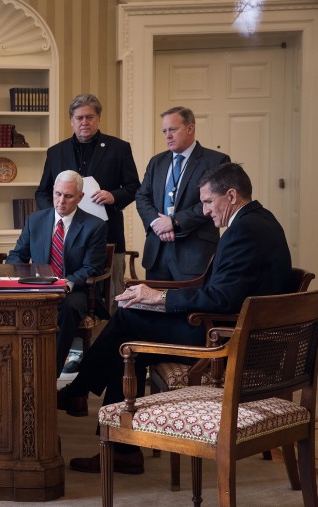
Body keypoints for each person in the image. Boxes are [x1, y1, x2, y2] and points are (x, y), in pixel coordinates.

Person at [58, 162, 292, 475]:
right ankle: (119, 446)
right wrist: (153, 294)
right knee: (129, 339)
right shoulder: (257, 220)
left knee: (127, 325)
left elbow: (222, 298)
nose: (206, 211)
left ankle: (83, 394)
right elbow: (220, 290)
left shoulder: (245, 229)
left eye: (209, 202)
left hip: (227, 340)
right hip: (226, 325)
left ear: (232, 195)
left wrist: (160, 297)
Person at [35, 93, 140, 316]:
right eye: (79, 118)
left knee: (113, 295)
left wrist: (113, 196)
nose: (85, 122)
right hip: (65, 240)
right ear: (71, 120)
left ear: (98, 119)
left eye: (90, 117)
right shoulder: (56, 152)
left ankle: (112, 342)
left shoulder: (118, 148)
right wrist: (56, 211)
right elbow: (42, 192)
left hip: (108, 234)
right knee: (73, 294)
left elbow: (134, 187)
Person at [7, 170, 107, 377]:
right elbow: (18, 255)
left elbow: (91, 268)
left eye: (68, 196)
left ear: (80, 197)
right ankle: (17, 372)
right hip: (37, 287)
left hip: (74, 290)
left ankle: (47, 374)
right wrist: (11, 276)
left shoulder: (94, 226)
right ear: (52, 192)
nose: (61, 201)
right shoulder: (35, 220)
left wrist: (67, 283)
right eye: (58, 194)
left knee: (67, 308)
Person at [135, 106, 230, 281]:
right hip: (157, 251)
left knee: (189, 307)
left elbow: (214, 202)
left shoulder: (216, 161)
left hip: (194, 254)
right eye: (164, 131)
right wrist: (157, 222)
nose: (167, 136)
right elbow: (142, 196)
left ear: (190, 128)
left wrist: (174, 222)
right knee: (153, 307)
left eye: (173, 130)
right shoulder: (157, 162)